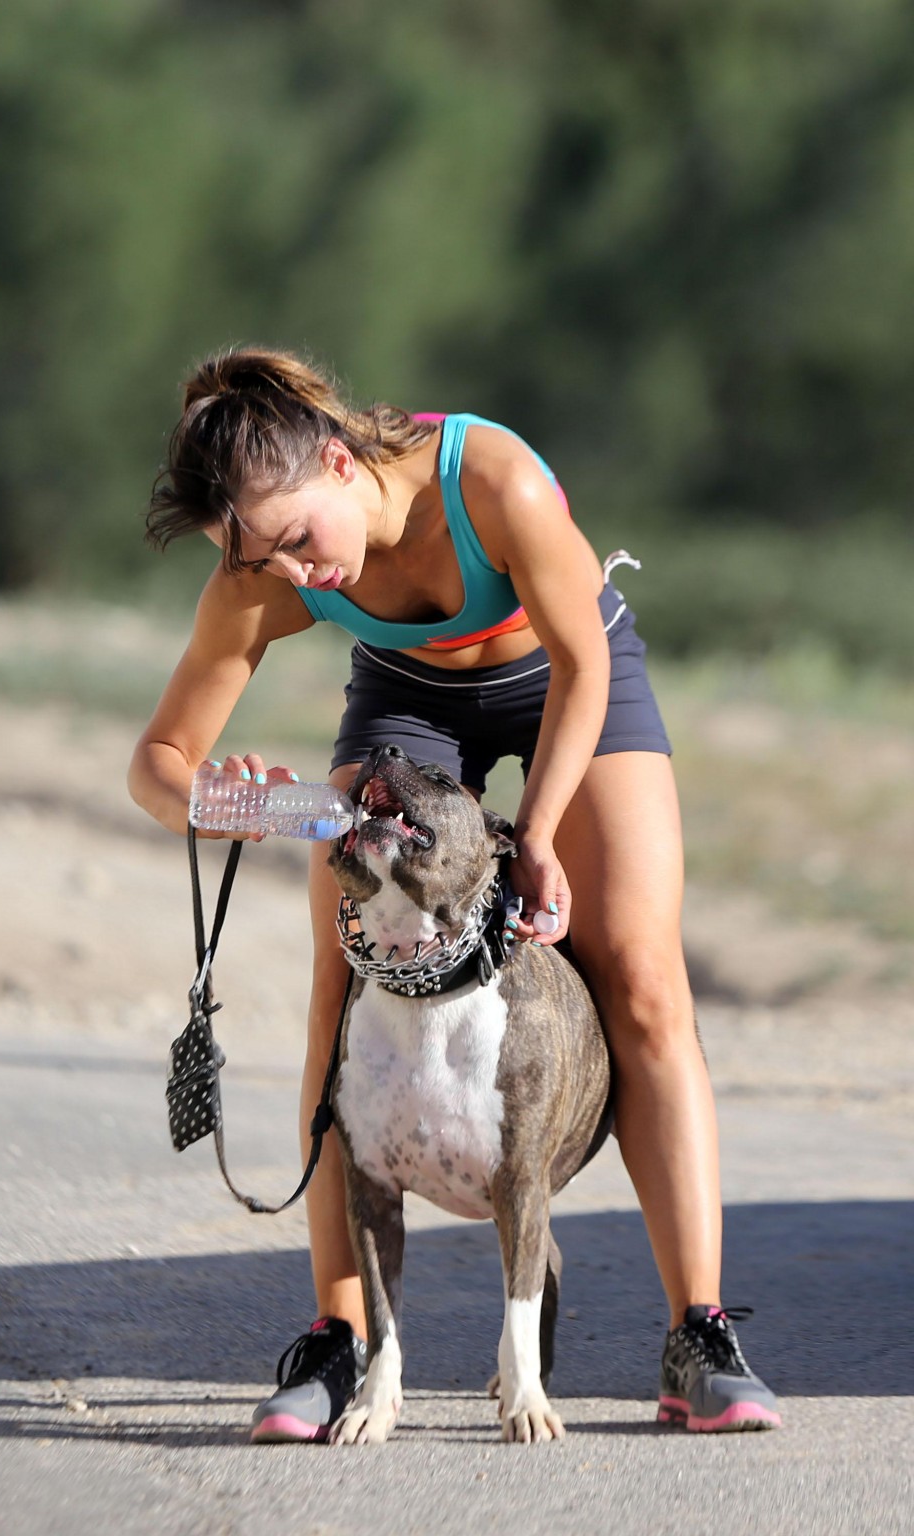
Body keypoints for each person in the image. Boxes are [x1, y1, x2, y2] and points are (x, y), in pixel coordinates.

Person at [128, 344, 781, 1441]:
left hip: (568, 682)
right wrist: (221, 804)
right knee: (345, 981)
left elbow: (583, 666)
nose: (292, 576)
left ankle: (696, 1334)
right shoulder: (261, 566)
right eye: (259, 559)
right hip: (407, 707)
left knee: (638, 968)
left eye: (296, 541)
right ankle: (339, 1340)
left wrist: (537, 836)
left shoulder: (491, 482)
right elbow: (157, 761)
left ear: (338, 463)